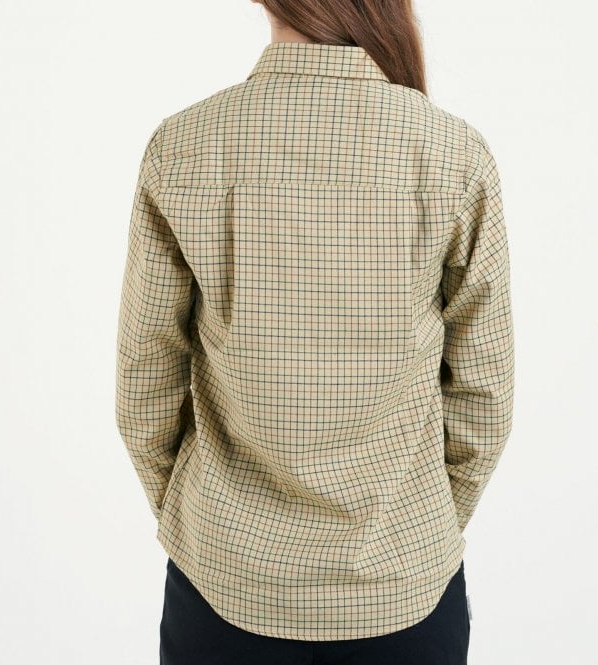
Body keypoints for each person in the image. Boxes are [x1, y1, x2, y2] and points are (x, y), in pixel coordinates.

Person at [114, 1, 515, 663]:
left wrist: (198, 520)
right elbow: (483, 393)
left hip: (223, 581)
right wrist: (422, 526)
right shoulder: (453, 152)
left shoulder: (184, 145)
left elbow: (144, 382)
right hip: (403, 588)